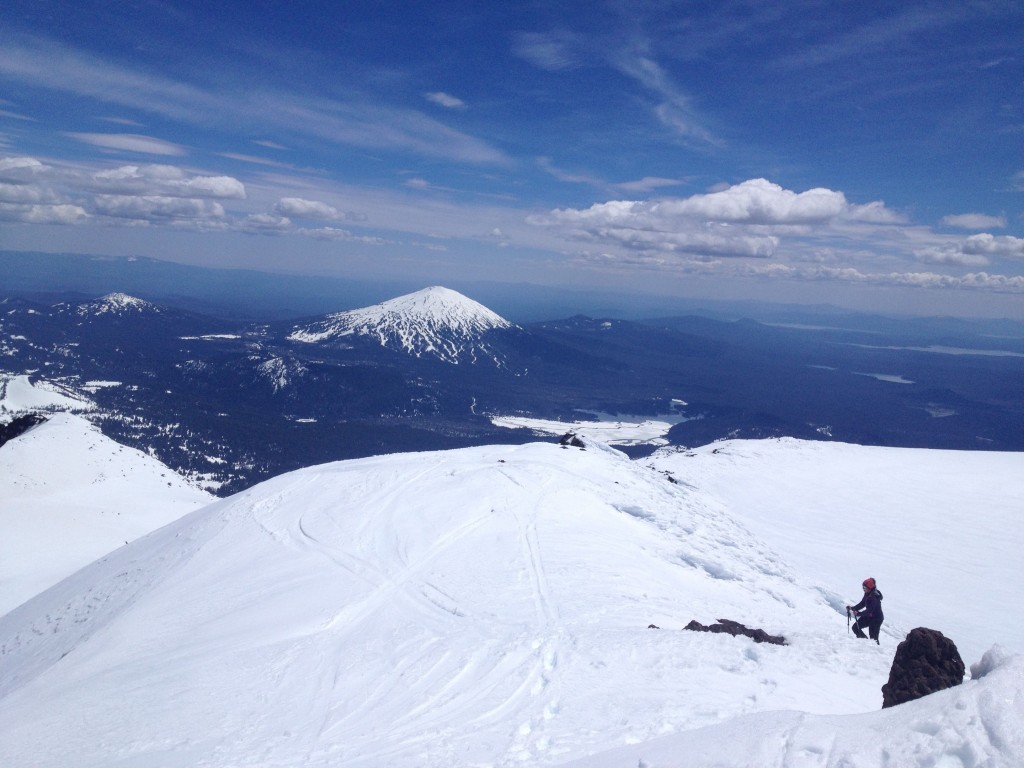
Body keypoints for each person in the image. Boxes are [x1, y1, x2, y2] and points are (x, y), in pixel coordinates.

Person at [846, 577, 884, 644]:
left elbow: (870, 610)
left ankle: (875, 651)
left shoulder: (874, 596)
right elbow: (862, 603)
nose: (863, 588)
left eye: (864, 587)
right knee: (855, 627)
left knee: (873, 638)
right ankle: (865, 643)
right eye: (863, 587)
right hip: (869, 616)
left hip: (876, 619)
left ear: (869, 587)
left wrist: (858, 614)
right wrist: (853, 608)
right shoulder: (867, 593)